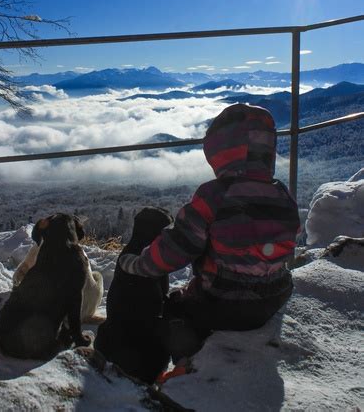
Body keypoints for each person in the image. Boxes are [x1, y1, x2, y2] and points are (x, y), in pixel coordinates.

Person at [119, 103, 300, 360]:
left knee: (173, 310)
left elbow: (176, 248)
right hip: (275, 296)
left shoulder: (214, 195)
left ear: (221, 152)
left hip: (224, 304)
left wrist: (138, 264)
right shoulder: (283, 193)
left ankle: (186, 367)